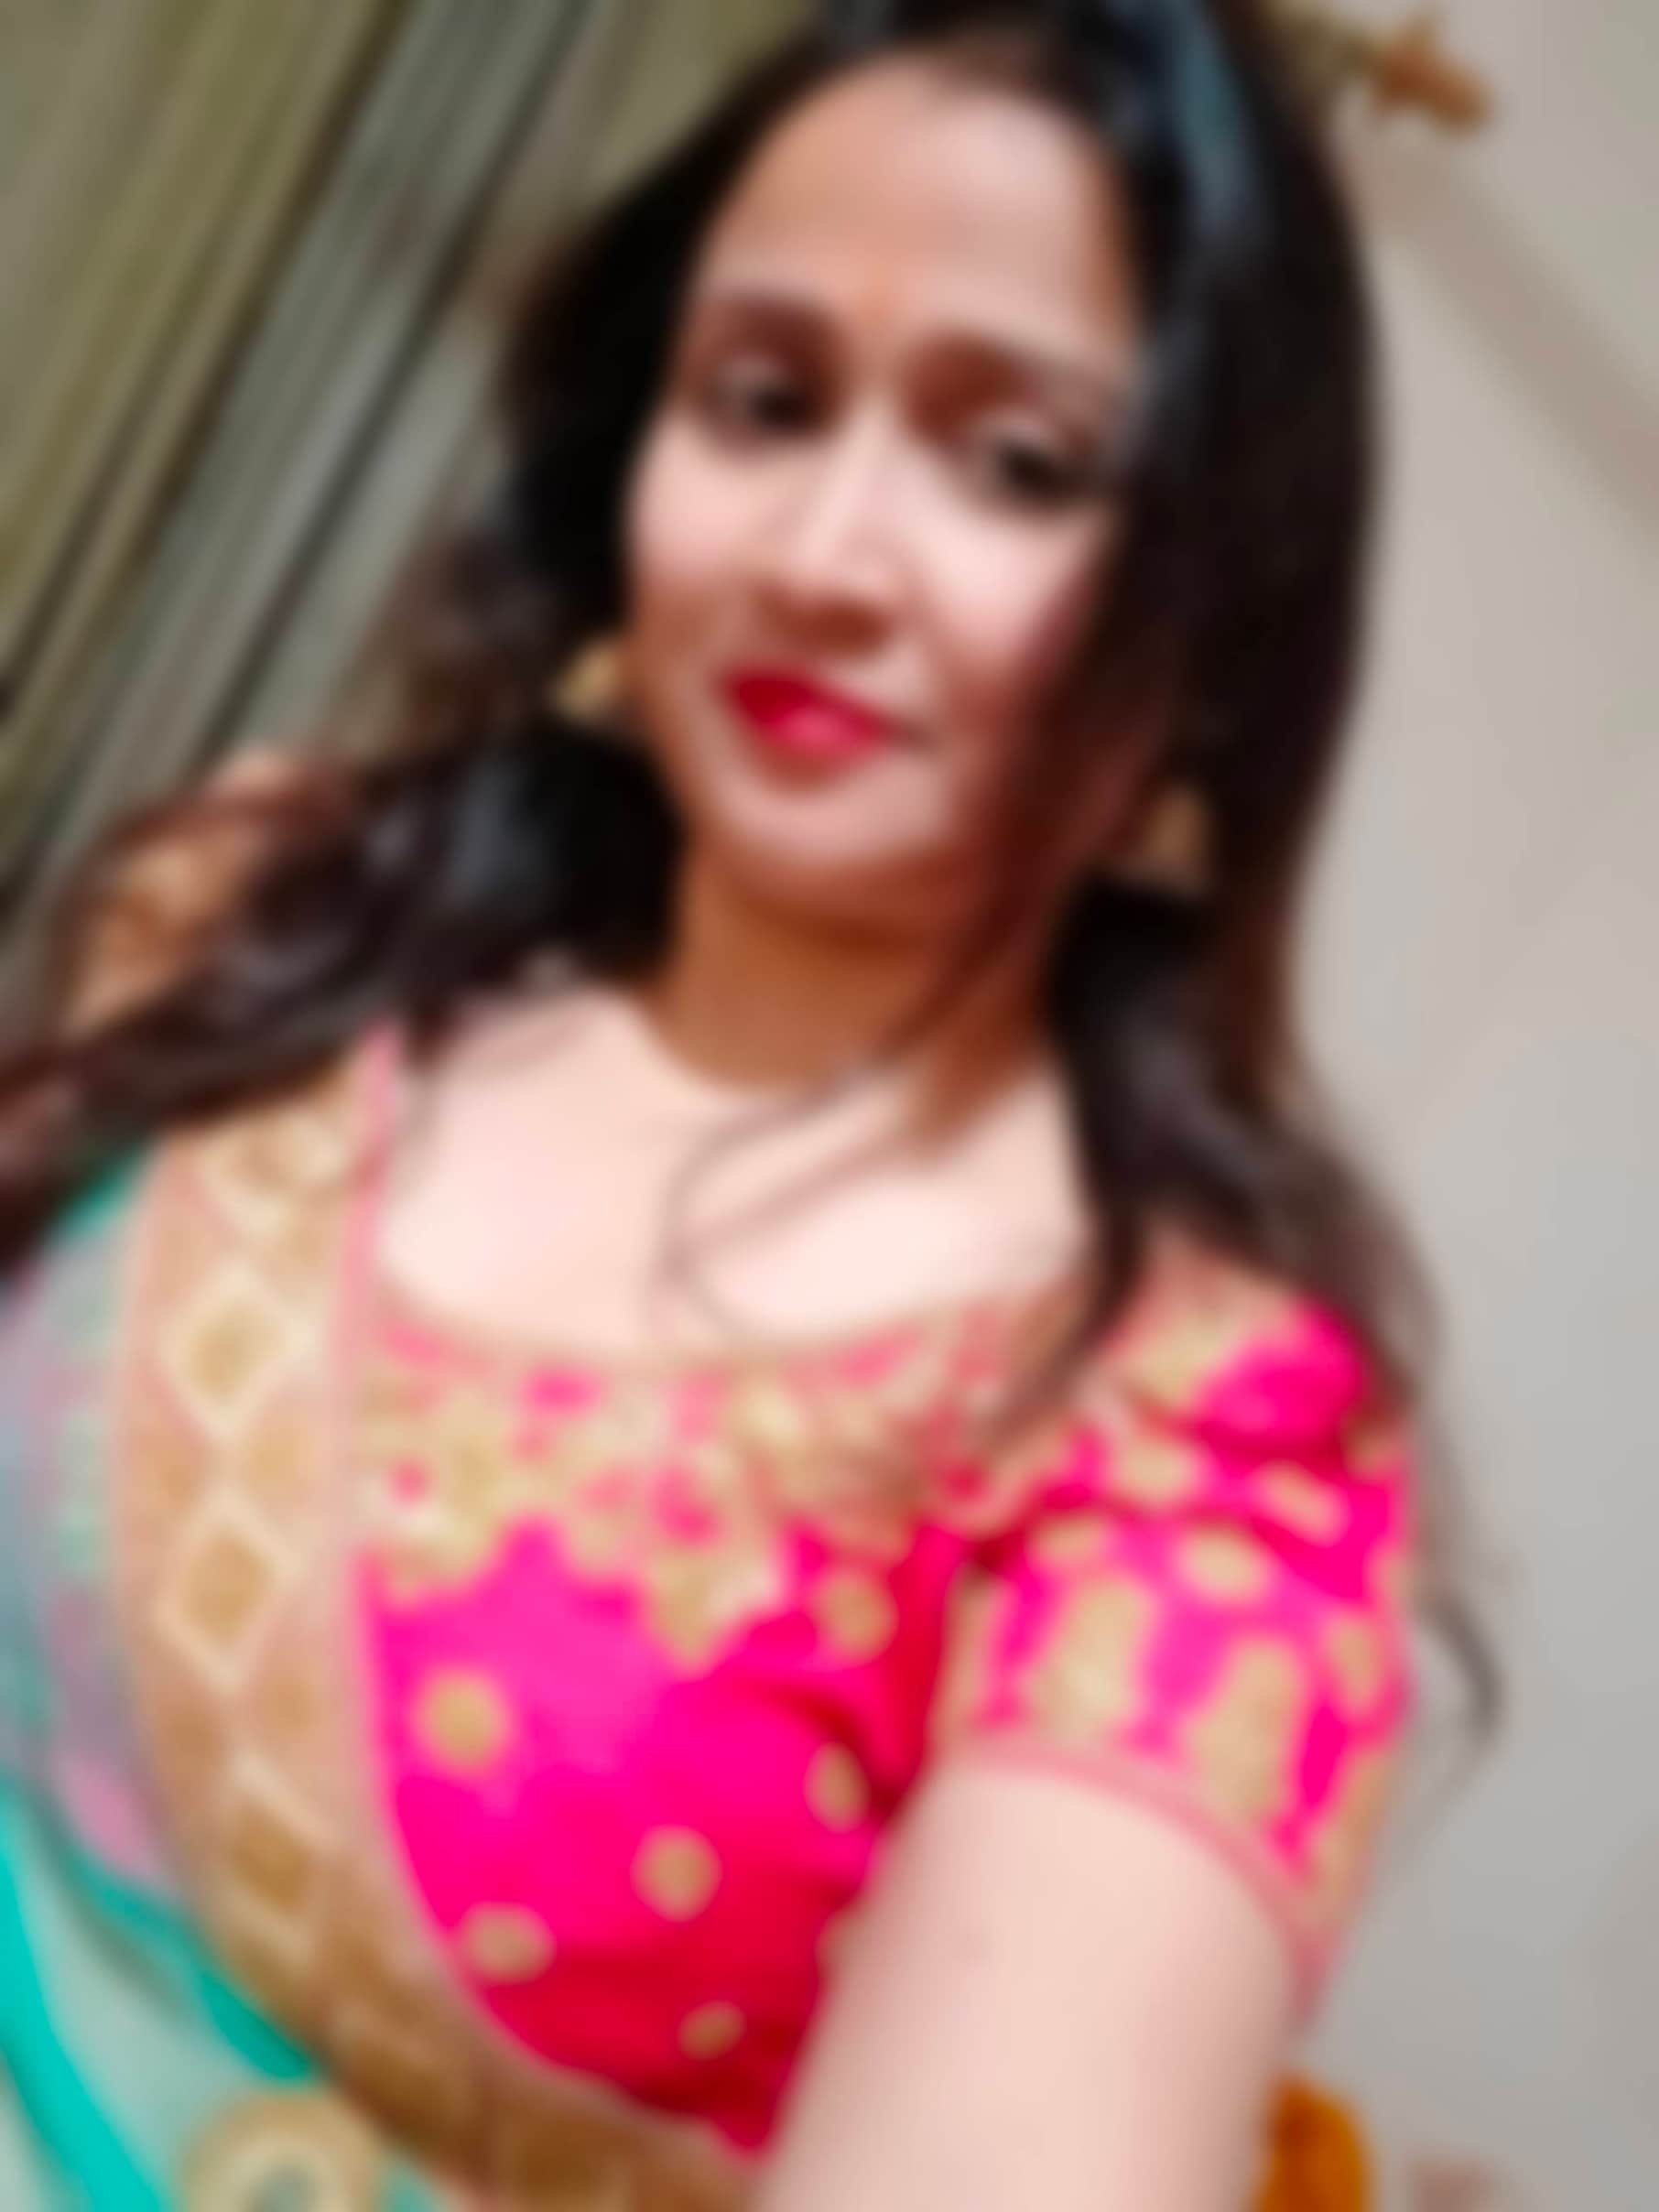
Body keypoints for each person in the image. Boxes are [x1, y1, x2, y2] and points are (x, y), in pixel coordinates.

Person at [0, 3, 1448, 2205]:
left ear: (1215, 621)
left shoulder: (1187, 1431)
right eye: (763, 400)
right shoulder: (280, 907)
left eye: (1017, 459)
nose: (825, 551)